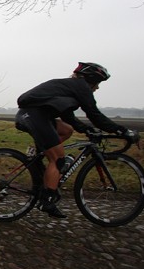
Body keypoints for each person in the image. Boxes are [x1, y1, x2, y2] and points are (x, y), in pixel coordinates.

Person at [15, 62, 135, 219]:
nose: (97, 88)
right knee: (57, 159)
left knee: (67, 130)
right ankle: (48, 199)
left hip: (33, 116)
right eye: (97, 83)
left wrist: (85, 129)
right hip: (35, 117)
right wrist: (122, 130)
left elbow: (67, 116)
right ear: (91, 79)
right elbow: (94, 115)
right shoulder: (80, 87)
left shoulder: (69, 87)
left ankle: (42, 161)